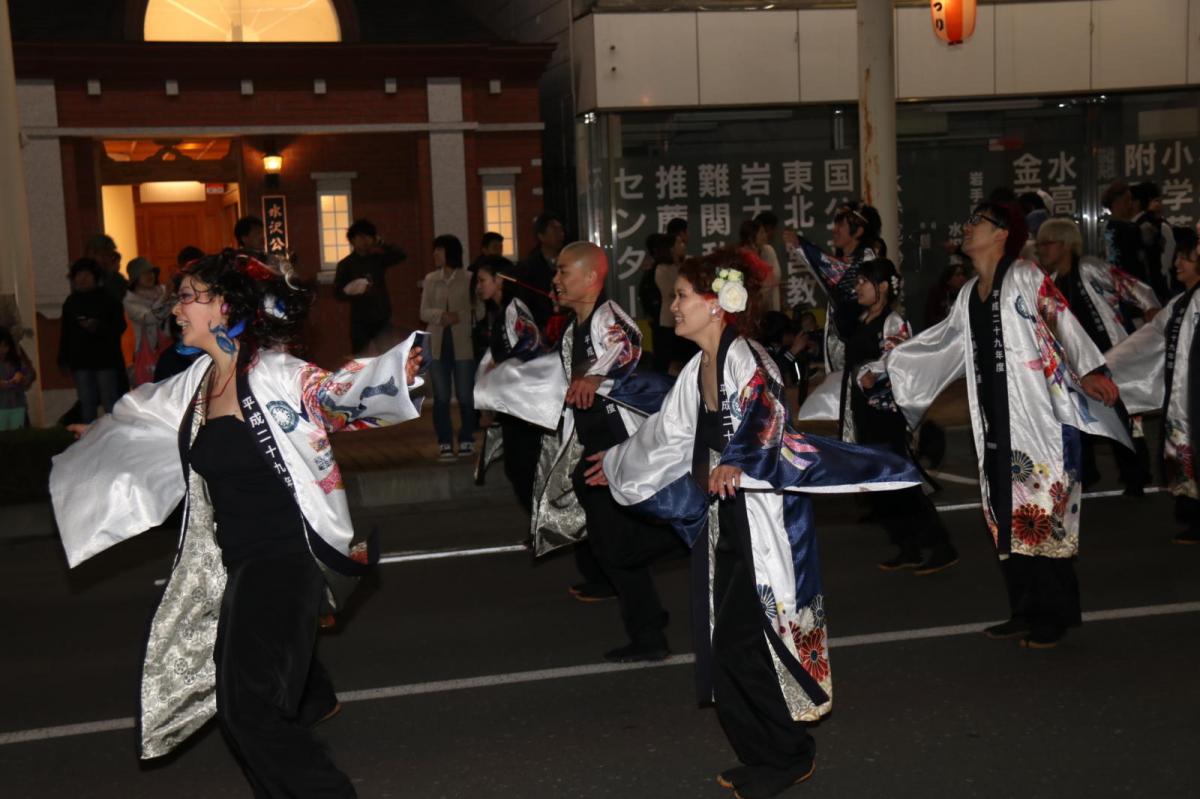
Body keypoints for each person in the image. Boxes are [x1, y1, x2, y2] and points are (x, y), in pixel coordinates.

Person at [50, 249, 424, 797]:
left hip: (286, 560)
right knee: (242, 710)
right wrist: (102, 433)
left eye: (187, 297)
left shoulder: (272, 373)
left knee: (250, 713)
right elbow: (145, 413)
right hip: (241, 566)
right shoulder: (198, 383)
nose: (176, 308)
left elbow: (332, 393)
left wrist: (397, 371)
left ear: (224, 306)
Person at [587, 249, 921, 799]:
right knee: (725, 640)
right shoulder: (700, 367)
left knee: (745, 640)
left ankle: (787, 755)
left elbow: (768, 416)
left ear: (717, 305)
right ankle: (765, 753)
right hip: (724, 519)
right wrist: (618, 461)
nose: (673, 306)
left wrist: (738, 458)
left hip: (762, 516)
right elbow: (668, 437)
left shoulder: (749, 358)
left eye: (682, 297)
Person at [860, 201, 1129, 649]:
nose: (968, 230)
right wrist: (886, 366)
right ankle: (1024, 609)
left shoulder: (1023, 275)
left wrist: (1090, 369)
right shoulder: (969, 294)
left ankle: (1055, 615)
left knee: (1041, 516)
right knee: (1007, 517)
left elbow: (1058, 316)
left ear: (1002, 234)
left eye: (977, 224)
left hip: (1038, 422)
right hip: (994, 423)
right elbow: (939, 343)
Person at [530, 241, 679, 655]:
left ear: (591, 277)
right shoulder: (574, 328)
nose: (555, 280)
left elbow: (626, 344)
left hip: (617, 447)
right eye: (556, 272)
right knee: (614, 545)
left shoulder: (607, 318)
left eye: (563, 272)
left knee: (616, 547)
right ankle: (649, 625)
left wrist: (595, 378)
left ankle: (688, 539)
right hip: (595, 446)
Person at [843, 259, 958, 573]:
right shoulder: (865, 318)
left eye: (864, 281)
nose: (858, 287)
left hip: (886, 413)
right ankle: (907, 545)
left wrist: (874, 374)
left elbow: (901, 360)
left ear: (882, 287)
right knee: (881, 485)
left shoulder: (893, 321)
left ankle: (940, 545)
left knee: (901, 483)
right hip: (866, 411)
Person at [1035, 218, 1160, 494]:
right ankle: (1085, 475)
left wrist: (1149, 306)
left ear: (1065, 244)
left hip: (1109, 355)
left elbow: (1128, 284)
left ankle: (1136, 476)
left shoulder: (1090, 268)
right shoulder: (1051, 282)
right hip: (1077, 363)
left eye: (1048, 243)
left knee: (1124, 417)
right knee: (1079, 418)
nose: (1042, 249)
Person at [1106, 230, 1200, 544]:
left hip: (1192, 392)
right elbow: (1146, 342)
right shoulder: (1181, 302)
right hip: (1184, 393)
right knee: (1184, 447)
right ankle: (1193, 516)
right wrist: (1103, 369)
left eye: (1185, 258)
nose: (1177, 264)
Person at [472, 256, 558, 512]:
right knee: (518, 466)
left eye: (482, 280)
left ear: (500, 280)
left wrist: (501, 366)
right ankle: (538, 524)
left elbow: (531, 341)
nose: (478, 286)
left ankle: (541, 523)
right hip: (513, 399)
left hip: (523, 401)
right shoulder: (501, 310)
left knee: (523, 465)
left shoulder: (514, 308)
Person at [420, 234, 478, 459]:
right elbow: (423, 311)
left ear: (450, 252)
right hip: (437, 345)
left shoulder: (469, 278)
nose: (435, 254)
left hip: (463, 345)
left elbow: (477, 310)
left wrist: (459, 316)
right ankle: (444, 440)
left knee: (465, 395)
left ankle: (466, 438)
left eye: (439, 250)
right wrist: (440, 315)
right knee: (441, 397)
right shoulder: (430, 279)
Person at [58, 258, 126, 422]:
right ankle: (88, 439)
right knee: (86, 403)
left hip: (105, 360)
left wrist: (98, 326)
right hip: (80, 360)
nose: (82, 279)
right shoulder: (71, 302)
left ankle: (114, 436)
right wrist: (63, 358)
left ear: (95, 277)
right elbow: (65, 332)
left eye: (87, 274)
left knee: (110, 401)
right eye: (78, 275)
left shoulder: (109, 300)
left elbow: (120, 326)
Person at [334, 218, 407, 354]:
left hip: (382, 317)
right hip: (359, 320)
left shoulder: (378, 259)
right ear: (352, 240)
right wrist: (353, 290)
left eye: (368, 236)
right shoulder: (346, 264)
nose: (364, 241)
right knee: (361, 362)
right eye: (360, 237)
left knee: (388, 358)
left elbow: (401, 255)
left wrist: (381, 243)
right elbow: (337, 293)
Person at [123, 257, 174, 387]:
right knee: (151, 388)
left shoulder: (163, 290)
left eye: (151, 272)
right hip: (148, 350)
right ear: (135, 278)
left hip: (170, 344)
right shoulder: (129, 300)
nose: (150, 276)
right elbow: (148, 318)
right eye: (145, 273)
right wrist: (165, 298)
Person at [514, 212, 565, 329]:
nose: (560, 234)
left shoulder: (568, 261)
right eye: (554, 230)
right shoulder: (528, 267)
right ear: (541, 236)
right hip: (541, 326)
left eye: (561, 229)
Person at [1131, 182, 1174, 300]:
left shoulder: (1159, 227)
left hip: (1154, 289)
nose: (1158, 205)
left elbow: (1165, 263)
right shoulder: (1135, 226)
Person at [1102, 180, 1147, 283]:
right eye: (1127, 200)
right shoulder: (1130, 229)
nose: (1130, 204)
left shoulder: (1106, 227)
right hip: (1131, 284)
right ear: (1116, 203)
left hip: (1113, 281)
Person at [0, 327, 35, 430]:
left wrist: (21, 377)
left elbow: (30, 374)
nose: (2, 350)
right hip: (1, 407)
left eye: (5, 346)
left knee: (17, 437)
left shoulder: (16, 361)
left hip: (17, 406)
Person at [84, 233, 127, 303]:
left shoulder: (116, 279)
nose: (108, 259)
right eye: (104, 254)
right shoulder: (82, 277)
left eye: (109, 254)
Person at [923, 262, 968, 328]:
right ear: (948, 279)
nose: (962, 278)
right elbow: (931, 317)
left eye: (963, 275)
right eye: (957, 275)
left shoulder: (967, 293)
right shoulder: (937, 292)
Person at [755, 211, 783, 313]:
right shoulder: (748, 254)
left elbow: (775, 279)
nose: (773, 233)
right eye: (771, 229)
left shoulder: (769, 250)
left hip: (772, 308)